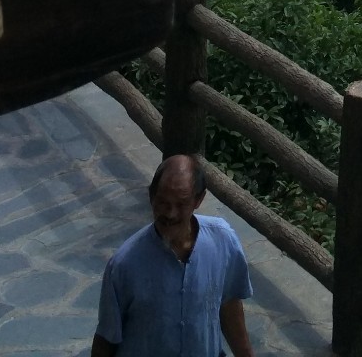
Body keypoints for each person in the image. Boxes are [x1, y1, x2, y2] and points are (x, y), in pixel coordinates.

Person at [92, 151, 255, 357]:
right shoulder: (124, 264)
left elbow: (229, 304)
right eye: (163, 203)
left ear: (198, 200)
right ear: (151, 196)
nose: (170, 213)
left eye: (181, 204)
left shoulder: (223, 241)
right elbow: (107, 335)